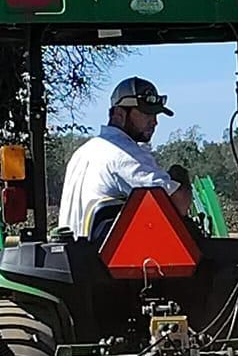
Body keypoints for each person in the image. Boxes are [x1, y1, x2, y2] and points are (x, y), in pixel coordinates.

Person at [57, 76, 193, 243]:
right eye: (146, 113)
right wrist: (181, 179)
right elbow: (178, 204)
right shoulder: (124, 154)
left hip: (76, 257)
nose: (155, 122)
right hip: (101, 264)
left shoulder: (82, 153)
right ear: (119, 114)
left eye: (155, 114)